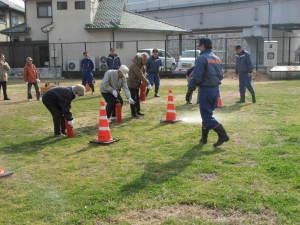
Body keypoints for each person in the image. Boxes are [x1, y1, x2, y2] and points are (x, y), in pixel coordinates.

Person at [189, 38, 229, 147]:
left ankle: (223, 135)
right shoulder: (217, 58)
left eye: (199, 45)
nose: (198, 47)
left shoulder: (202, 58)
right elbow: (221, 75)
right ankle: (204, 139)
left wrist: (190, 87)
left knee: (206, 117)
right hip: (215, 90)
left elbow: (197, 76)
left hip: (206, 90)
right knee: (207, 114)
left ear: (203, 46)